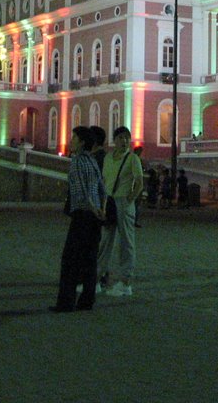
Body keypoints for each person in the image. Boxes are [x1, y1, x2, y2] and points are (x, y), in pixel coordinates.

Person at [51, 126, 105, 312]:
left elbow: (82, 190)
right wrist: (100, 210)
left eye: (74, 137)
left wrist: (91, 208)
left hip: (82, 214)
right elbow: (102, 188)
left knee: (70, 260)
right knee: (90, 259)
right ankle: (87, 300)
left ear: (82, 142)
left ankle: (66, 302)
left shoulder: (78, 161)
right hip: (95, 216)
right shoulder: (92, 161)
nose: (71, 140)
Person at [97, 126, 144, 297]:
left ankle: (125, 282)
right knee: (105, 240)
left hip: (124, 202)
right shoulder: (108, 158)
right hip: (109, 201)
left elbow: (139, 183)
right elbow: (104, 180)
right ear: (114, 140)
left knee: (126, 243)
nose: (124, 141)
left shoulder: (133, 159)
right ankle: (96, 278)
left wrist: (129, 198)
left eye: (127, 138)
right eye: (121, 138)